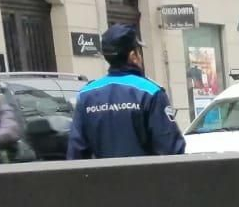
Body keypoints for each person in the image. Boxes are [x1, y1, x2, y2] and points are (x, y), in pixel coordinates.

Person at [68, 24, 186, 160]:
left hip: (102, 180)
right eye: (139, 51)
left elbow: (76, 152)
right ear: (133, 56)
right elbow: (171, 148)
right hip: (145, 179)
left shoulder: (86, 95)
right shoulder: (150, 92)